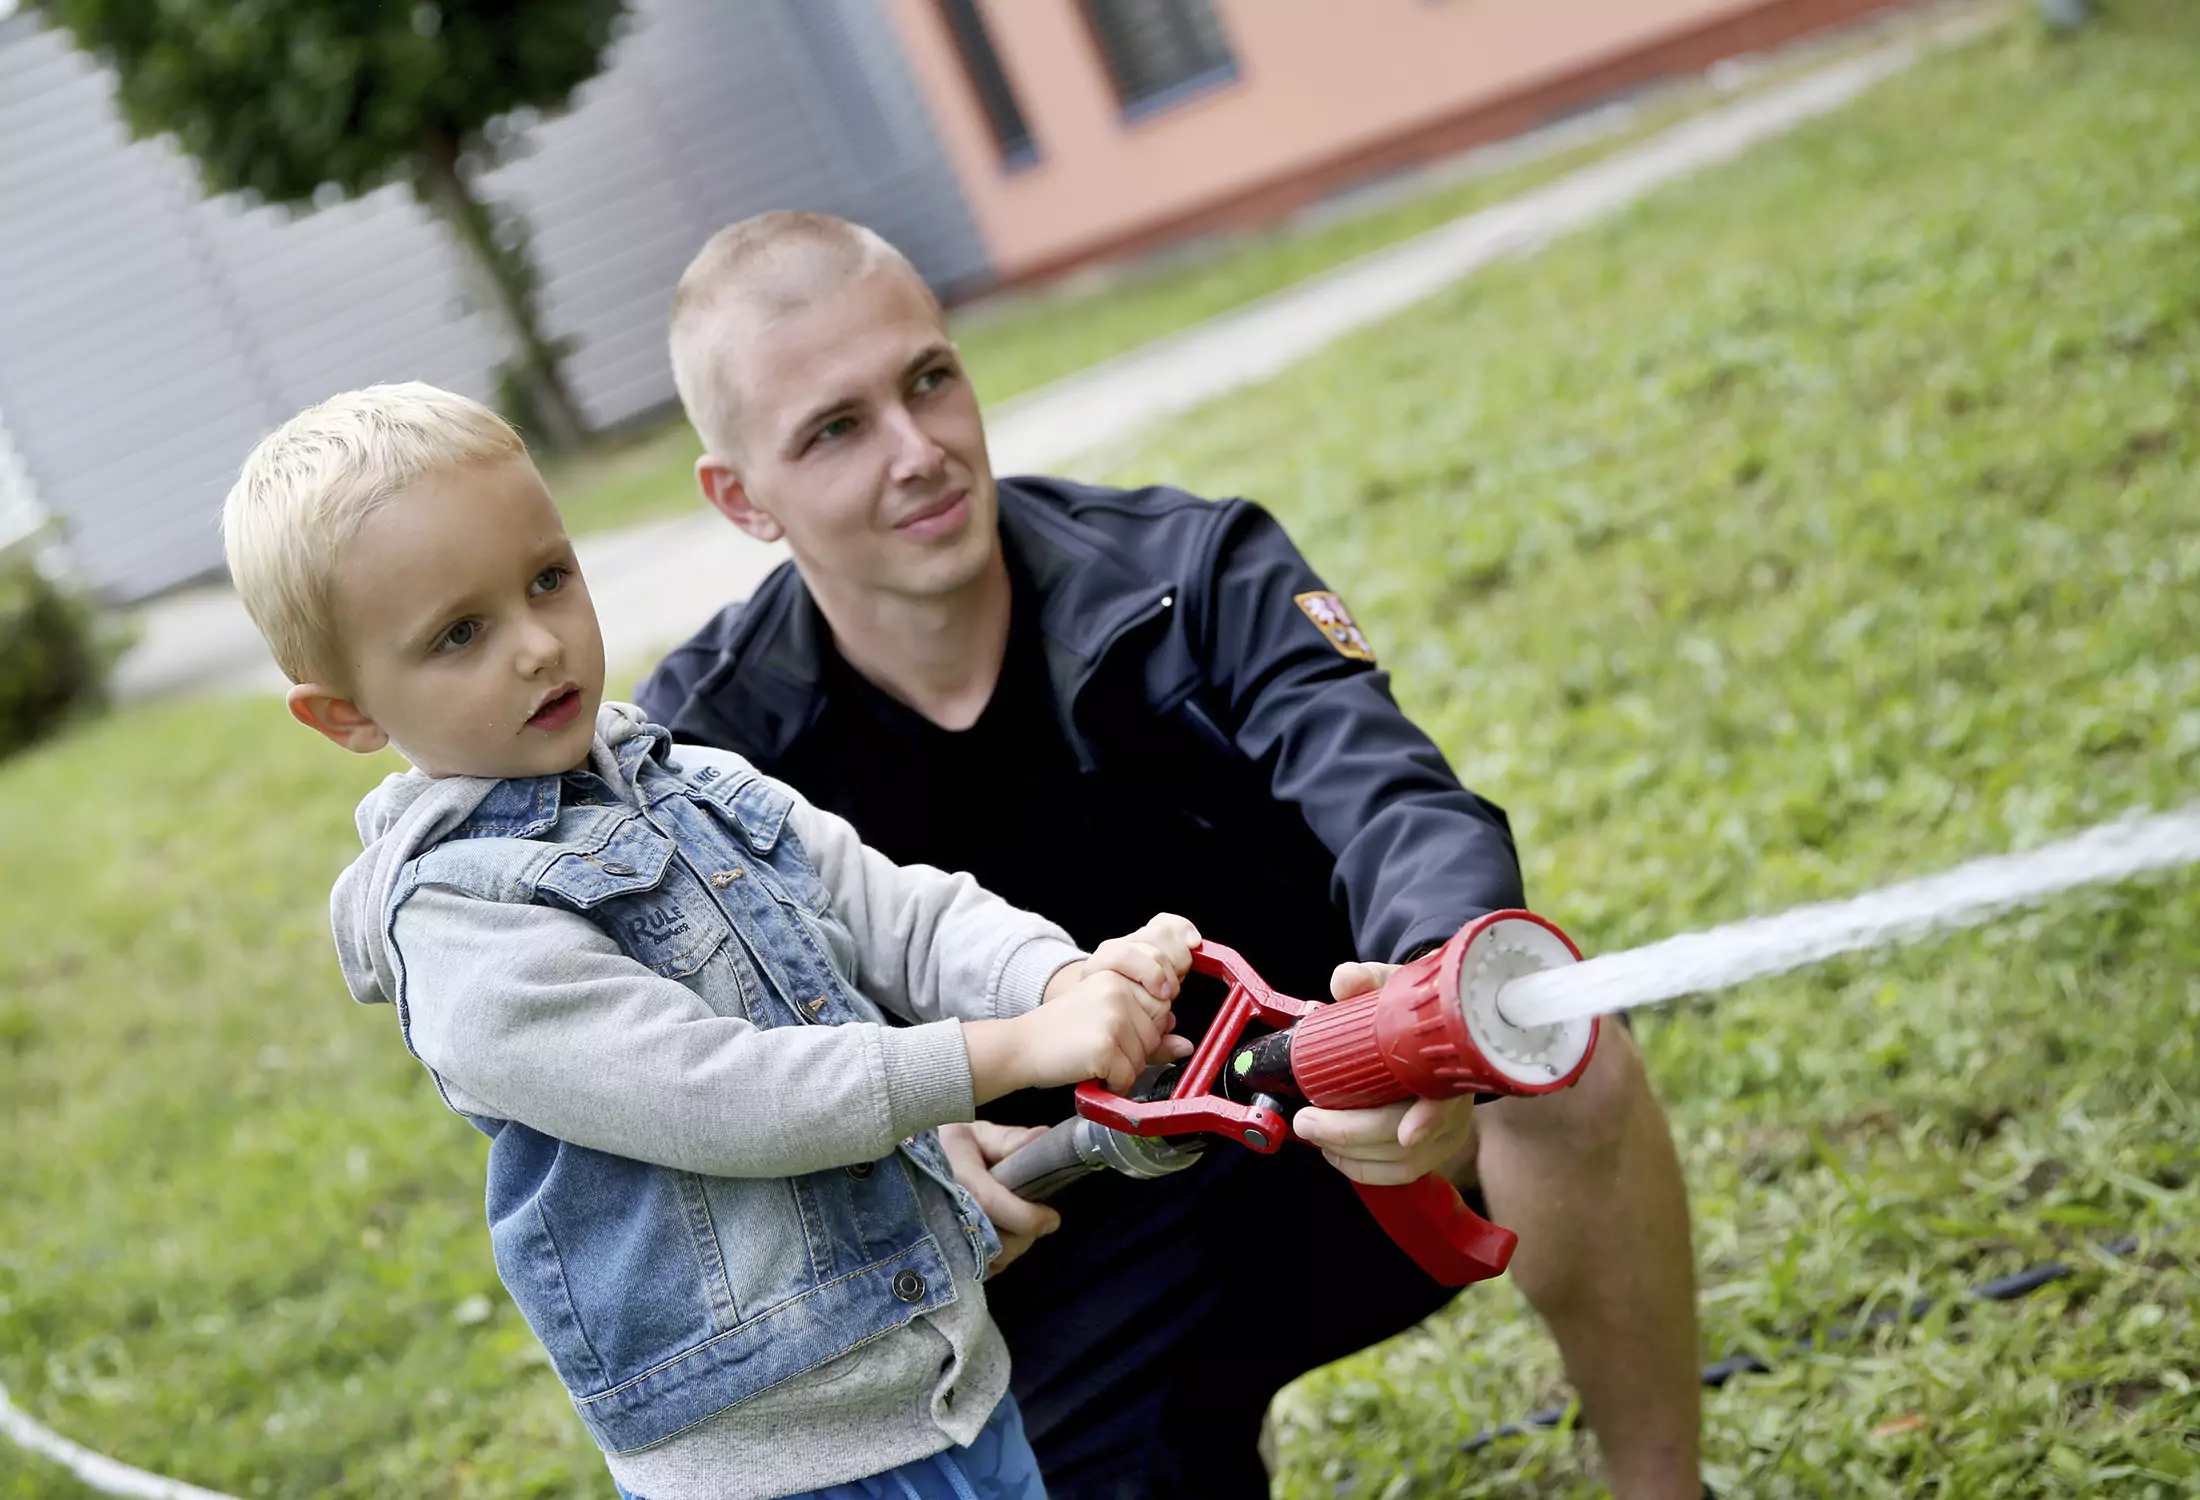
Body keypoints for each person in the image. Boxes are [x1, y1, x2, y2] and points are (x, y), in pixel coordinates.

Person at [638, 213, 1706, 1500]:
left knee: (1553, 1051)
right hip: (1048, 1247)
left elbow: (1394, 800)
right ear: (741, 497)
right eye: (835, 429)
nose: (919, 452)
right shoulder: (700, 756)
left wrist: (1425, 1001)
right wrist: (901, 1152)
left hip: (1337, 1122)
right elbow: (690, 1083)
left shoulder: (1192, 572)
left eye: (928, 380)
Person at [222, 381, 1210, 1500]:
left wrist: (1060, 976)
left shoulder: (693, 782)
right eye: (460, 634)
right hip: (774, 1451)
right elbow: (717, 1094)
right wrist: (1010, 1050)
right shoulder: (462, 930)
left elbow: (901, 912)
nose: (540, 645)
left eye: (548, 579)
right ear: (347, 714)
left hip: (940, 1372)